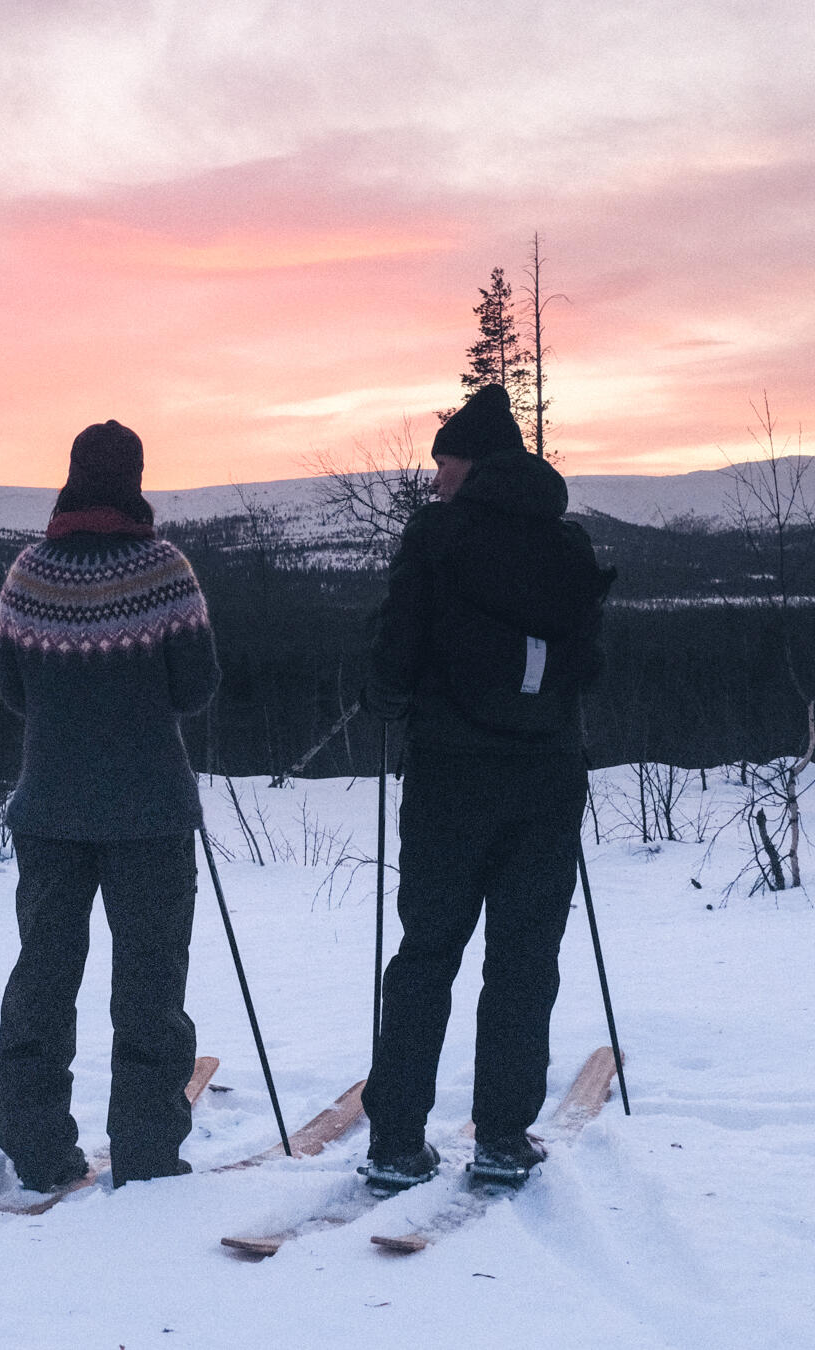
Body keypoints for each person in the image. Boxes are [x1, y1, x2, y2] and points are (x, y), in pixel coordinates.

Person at [360, 384, 611, 1188]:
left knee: (427, 951)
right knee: (524, 956)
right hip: (545, 777)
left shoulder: (437, 536)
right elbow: (591, 667)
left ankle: (397, 1139)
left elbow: (395, 651)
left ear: (472, 463)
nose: (436, 480)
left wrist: (384, 698)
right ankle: (503, 1135)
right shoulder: (568, 546)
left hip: (448, 776)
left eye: (445, 464)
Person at [0, 419, 220, 1191]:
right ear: (135, 480)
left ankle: (35, 1147)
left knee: (43, 980)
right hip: (150, 812)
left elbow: (11, 693)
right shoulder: (165, 571)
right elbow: (195, 689)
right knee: (151, 985)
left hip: (50, 809)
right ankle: (148, 1152)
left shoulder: (29, 572)